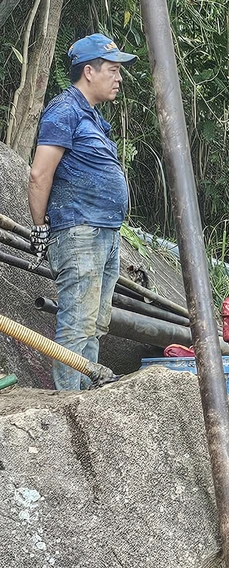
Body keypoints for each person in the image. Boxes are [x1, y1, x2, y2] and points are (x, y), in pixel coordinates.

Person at [27, 34, 135, 390]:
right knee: (76, 323)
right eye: (113, 70)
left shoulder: (93, 117)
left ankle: (87, 403)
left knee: (95, 324)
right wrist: (40, 227)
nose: (119, 78)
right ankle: (68, 407)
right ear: (89, 71)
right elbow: (39, 173)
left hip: (105, 232)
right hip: (79, 232)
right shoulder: (64, 110)